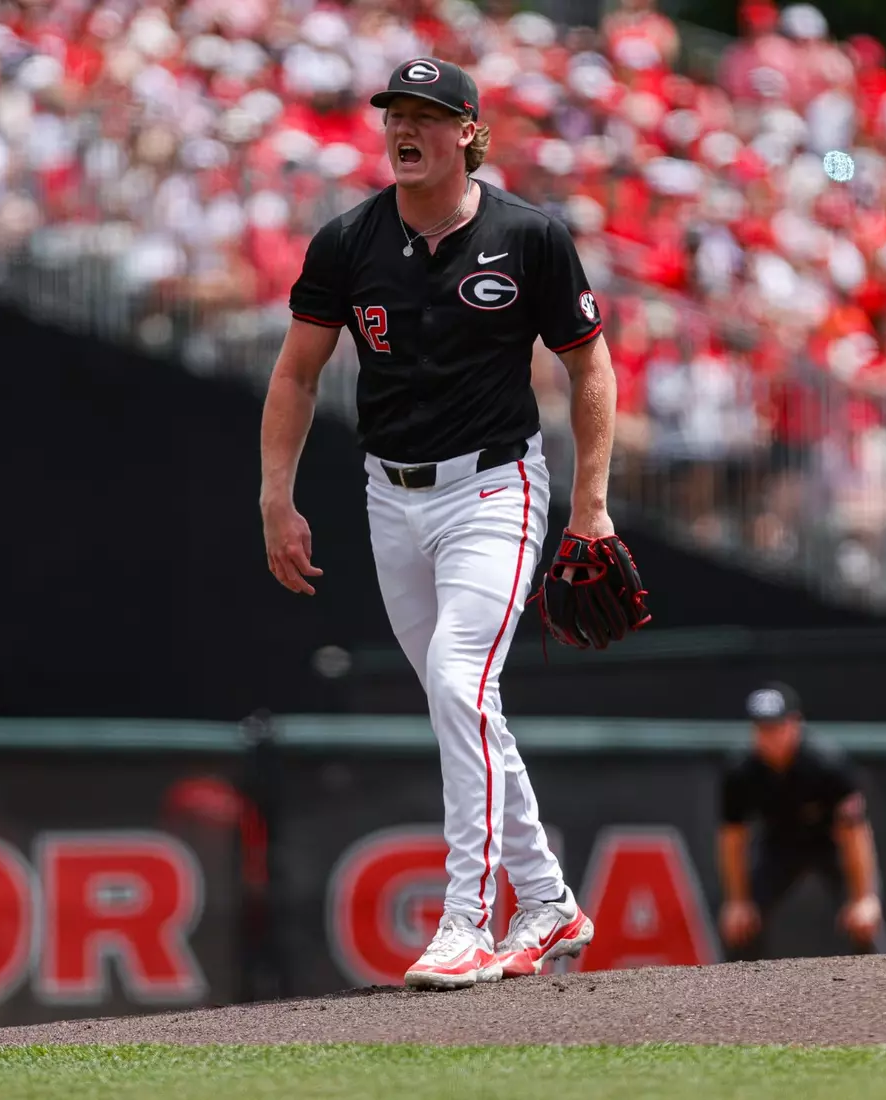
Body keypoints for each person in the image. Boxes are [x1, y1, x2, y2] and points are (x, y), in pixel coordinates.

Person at [260, 57, 617, 990]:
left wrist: (592, 505)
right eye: (394, 114)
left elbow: (591, 367)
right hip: (391, 495)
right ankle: (545, 900)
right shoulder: (348, 241)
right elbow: (297, 373)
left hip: (496, 488)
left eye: (425, 113)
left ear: (468, 130)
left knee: (458, 683)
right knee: (463, 701)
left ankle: (466, 916)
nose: (404, 129)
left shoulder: (527, 237)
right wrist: (275, 494)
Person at [717, 683, 886, 960]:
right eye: (761, 728)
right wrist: (737, 901)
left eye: (776, 727)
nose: (768, 736)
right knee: (742, 923)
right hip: (779, 845)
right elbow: (732, 839)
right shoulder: (741, 771)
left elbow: (854, 834)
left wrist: (863, 898)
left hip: (831, 844)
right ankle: (736, 998)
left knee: (864, 923)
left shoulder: (826, 763)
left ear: (795, 723)